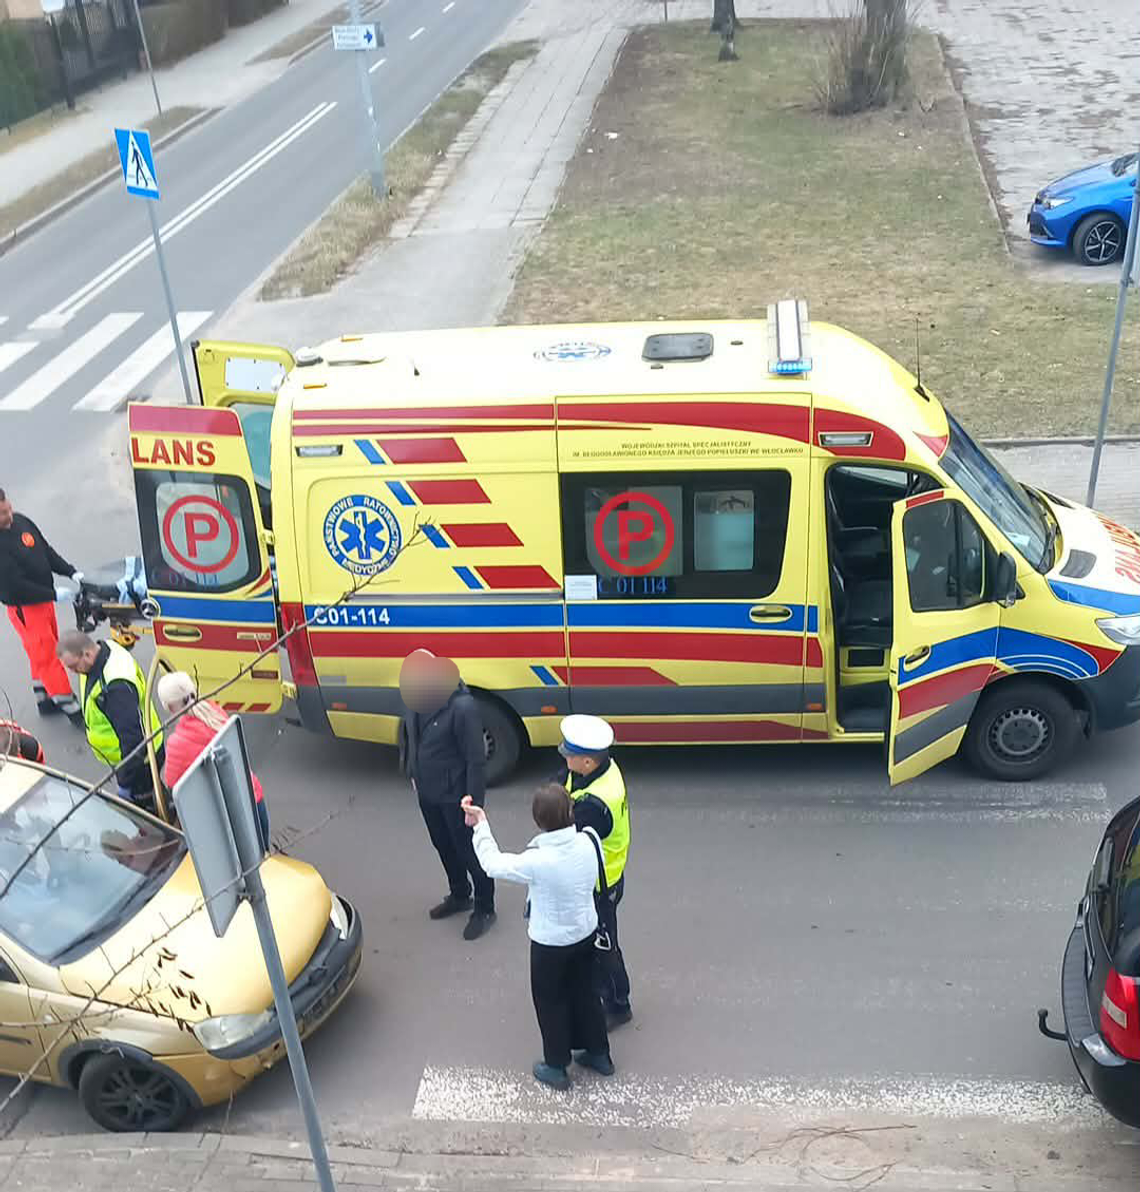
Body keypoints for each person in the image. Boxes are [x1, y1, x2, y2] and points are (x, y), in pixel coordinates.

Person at [464, 785, 613, 1091]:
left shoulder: (538, 860)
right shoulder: (589, 840)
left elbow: (492, 864)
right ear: (571, 812)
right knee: (587, 993)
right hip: (585, 931)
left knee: (551, 1001)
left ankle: (556, 1066)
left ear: (538, 821)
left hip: (550, 944)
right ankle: (599, 1054)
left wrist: (480, 825)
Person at [399, 650, 495, 941]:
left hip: (456, 797)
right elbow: (409, 736)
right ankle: (460, 894)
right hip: (428, 793)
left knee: (469, 852)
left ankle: (485, 908)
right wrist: (412, 771)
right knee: (443, 845)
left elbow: (475, 759)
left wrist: (473, 803)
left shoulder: (462, 707)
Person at [555, 714, 633, 1028]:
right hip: (602, 880)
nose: (564, 757)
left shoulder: (594, 805)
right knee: (598, 944)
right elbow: (563, 778)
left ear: (587, 761)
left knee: (604, 947)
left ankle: (618, 1004)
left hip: (601, 886)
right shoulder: (601, 768)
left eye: (569, 754)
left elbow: (570, 845)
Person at [0, 488, 83, 725]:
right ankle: (72, 709)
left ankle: (45, 699)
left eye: (8, 508)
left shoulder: (21, 522)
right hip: (25, 608)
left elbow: (44, 551)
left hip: (44, 602)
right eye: (3, 514)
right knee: (48, 657)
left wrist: (70, 571)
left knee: (43, 652)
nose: (9, 515)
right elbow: (15, 587)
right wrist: (53, 593)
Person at [157, 671, 269, 843]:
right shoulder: (216, 712)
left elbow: (174, 788)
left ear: (170, 707)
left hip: (230, 820)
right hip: (254, 799)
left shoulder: (177, 744)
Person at [56, 630, 163, 807]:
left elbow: (134, 740)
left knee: (147, 812)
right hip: (138, 753)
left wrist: (126, 782)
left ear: (88, 654)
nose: (74, 672)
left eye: (74, 666)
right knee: (157, 795)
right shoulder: (107, 649)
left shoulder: (114, 688)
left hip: (140, 762)